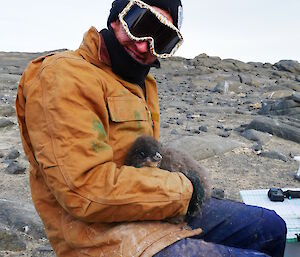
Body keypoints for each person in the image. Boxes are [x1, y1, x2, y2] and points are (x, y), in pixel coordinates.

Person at [16, 0, 287, 256]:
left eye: (163, 39)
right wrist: (183, 191)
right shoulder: (63, 76)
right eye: (143, 25)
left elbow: (142, 160)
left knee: (272, 227)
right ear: (118, 17)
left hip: (147, 210)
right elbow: (84, 189)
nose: (146, 47)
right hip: (97, 235)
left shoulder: (139, 81)